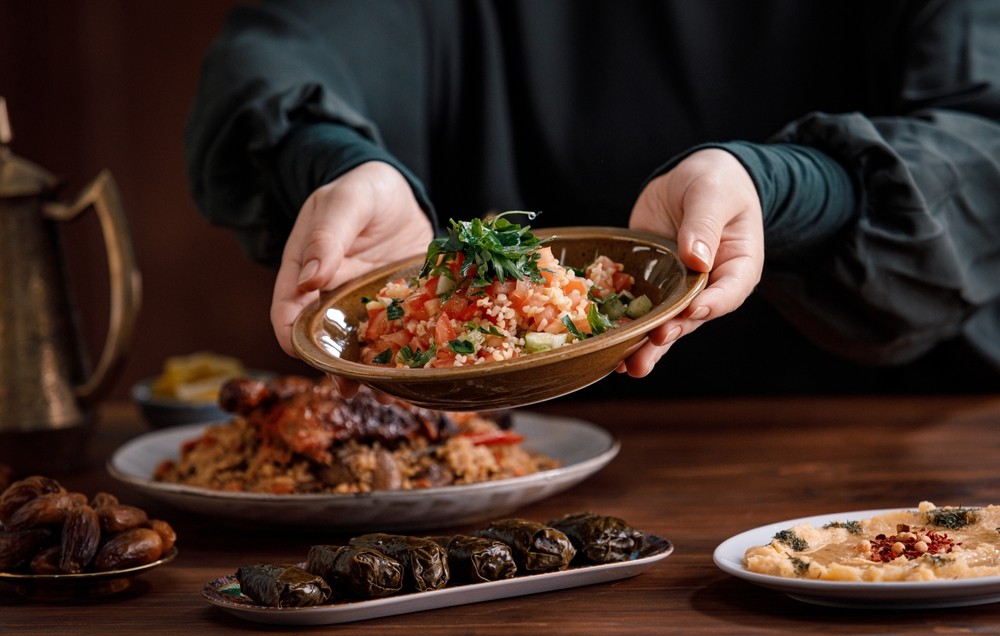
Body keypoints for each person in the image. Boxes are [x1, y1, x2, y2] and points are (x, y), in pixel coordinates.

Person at [184, 0, 1000, 397]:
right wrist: (337, 159)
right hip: (486, 460)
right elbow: (285, 44)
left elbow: (980, 136)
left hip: (867, 457)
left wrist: (781, 185)